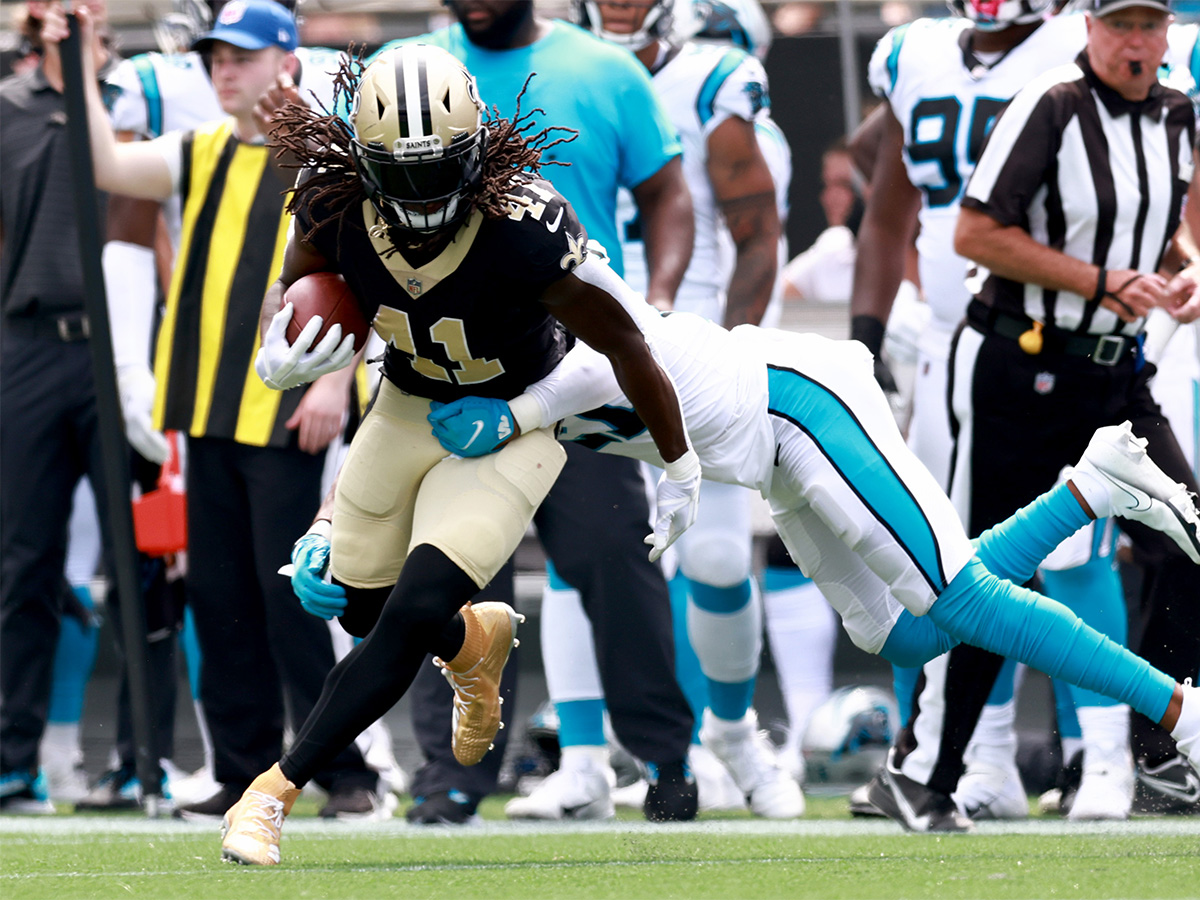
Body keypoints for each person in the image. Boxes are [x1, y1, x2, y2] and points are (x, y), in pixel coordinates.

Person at [427, 274, 1200, 834]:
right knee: (901, 633)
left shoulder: (567, 329)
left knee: (956, 598)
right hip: (766, 453)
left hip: (800, 400)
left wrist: (515, 415)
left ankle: (1182, 709)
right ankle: (1090, 489)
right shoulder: (510, 349)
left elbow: (590, 372)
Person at [211, 41, 702, 864]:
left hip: (516, 420)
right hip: (405, 403)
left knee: (404, 611)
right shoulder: (330, 200)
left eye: (438, 169)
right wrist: (279, 345)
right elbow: (292, 288)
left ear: (477, 147)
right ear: (361, 160)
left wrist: (679, 462)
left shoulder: (524, 224)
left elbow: (628, 343)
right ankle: (470, 645)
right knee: (363, 606)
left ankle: (271, 794)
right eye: (397, 173)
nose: (421, 193)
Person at [49, 0, 389, 821]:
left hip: (285, 410)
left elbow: (368, 273)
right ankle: (240, 771)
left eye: (242, 55)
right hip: (203, 407)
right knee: (220, 597)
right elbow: (107, 168)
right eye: (215, 56)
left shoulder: (330, 159)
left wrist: (334, 384)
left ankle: (349, 774)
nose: (223, 69)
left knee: (293, 597)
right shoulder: (198, 150)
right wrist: (82, 70)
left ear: (285, 60)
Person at [369, 0, 700, 826]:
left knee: (611, 557)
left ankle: (664, 757)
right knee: (441, 575)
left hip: (569, 364)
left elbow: (667, 195)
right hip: (443, 371)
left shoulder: (605, 70)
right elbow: (350, 207)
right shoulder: (400, 71)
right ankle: (451, 776)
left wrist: (654, 300)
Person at [889, 0, 1200, 831]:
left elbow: (1165, 228)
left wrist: (1186, 269)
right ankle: (931, 772)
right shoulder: (1052, 103)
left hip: (1117, 374)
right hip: (1021, 361)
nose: (1136, 43)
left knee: (1189, 534)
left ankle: (1156, 749)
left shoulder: (1177, 113)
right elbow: (977, 233)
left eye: (1149, 27)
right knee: (990, 576)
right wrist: (1101, 282)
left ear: (1168, 33)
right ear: (1090, 29)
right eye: (1121, 26)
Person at [516, 0, 797, 822]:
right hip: (583, 347)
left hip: (692, 339)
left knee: (712, 559)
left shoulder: (715, 80)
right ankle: (582, 760)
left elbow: (758, 233)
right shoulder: (554, 71)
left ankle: (736, 735)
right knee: (585, 554)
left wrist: (733, 342)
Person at [0, 0, 123, 815]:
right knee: (26, 561)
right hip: (30, 344)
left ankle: (142, 761)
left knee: (150, 562)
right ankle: (16, 762)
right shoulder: (6, 110)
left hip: (122, 351)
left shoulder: (130, 108)